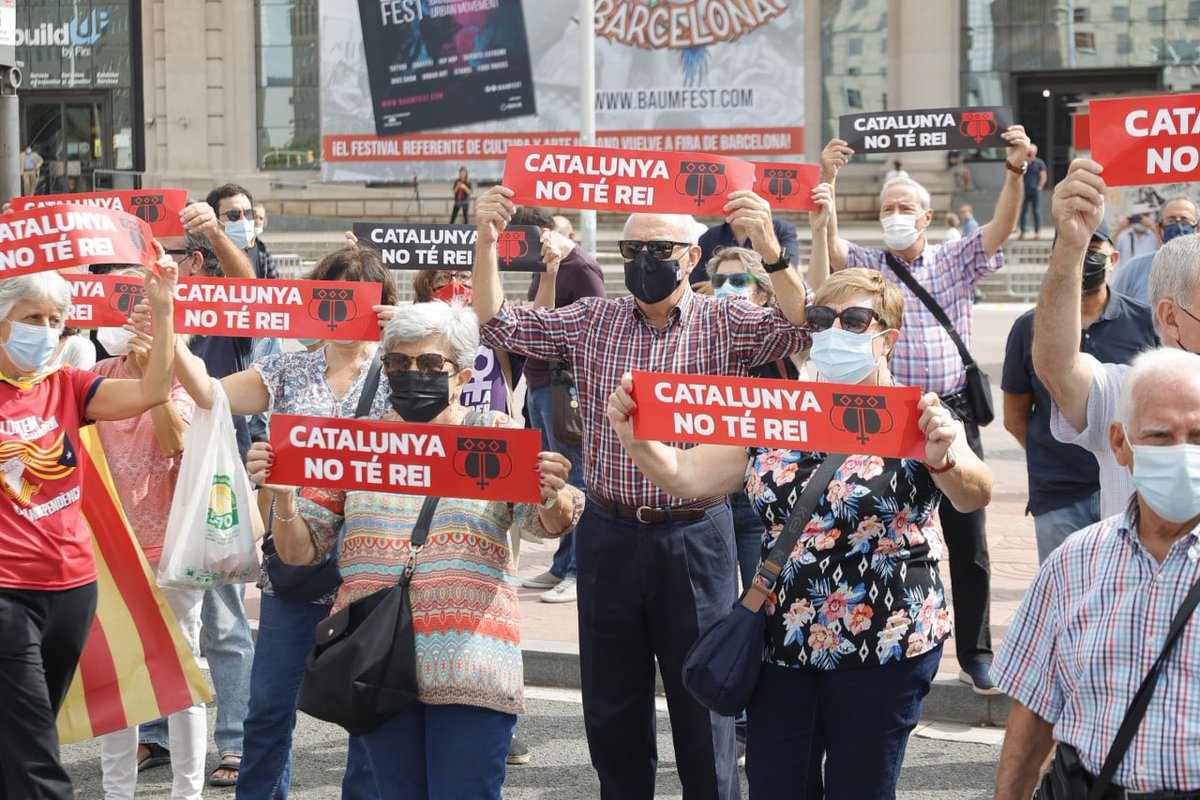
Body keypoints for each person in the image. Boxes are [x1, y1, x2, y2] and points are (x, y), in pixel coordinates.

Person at [473, 181, 811, 799]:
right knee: (611, 705)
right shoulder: (593, 319)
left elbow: (798, 326)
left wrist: (771, 250)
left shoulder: (726, 319)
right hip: (610, 531)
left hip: (696, 534)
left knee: (705, 704)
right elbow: (499, 323)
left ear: (690, 257)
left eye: (657, 248)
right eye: (630, 251)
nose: (642, 262)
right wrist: (487, 243)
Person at [607, 268, 993, 799]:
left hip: (883, 641)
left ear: (888, 338)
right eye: (821, 319)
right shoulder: (777, 413)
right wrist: (635, 438)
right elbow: (683, 475)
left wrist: (944, 458)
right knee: (776, 786)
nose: (834, 331)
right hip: (783, 641)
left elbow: (975, 494)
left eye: (854, 320)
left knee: (860, 789)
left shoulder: (918, 413)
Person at [248, 301, 584, 799]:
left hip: (471, 663)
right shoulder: (356, 444)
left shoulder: (497, 434)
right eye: (398, 364)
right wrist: (281, 494)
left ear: (463, 374)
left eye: (430, 364)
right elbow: (300, 552)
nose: (412, 375)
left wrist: (552, 490)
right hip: (376, 664)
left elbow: (547, 524)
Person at [172, 245, 397, 800]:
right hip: (294, 566)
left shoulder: (406, 369)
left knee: (369, 712)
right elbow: (209, 396)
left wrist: (415, 333)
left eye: (360, 301)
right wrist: (169, 337)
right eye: (333, 301)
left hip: (374, 567)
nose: (346, 316)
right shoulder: (288, 367)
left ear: (383, 304)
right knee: (269, 709)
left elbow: (458, 406)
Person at [816, 125, 1030, 694]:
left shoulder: (954, 260)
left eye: (905, 206)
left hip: (947, 414)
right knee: (883, 525)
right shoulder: (867, 263)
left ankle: (976, 651)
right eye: (888, 207)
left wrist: (1013, 172)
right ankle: (887, 636)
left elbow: (1002, 227)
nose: (895, 215)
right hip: (886, 418)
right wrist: (829, 181)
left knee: (969, 537)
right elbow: (830, 247)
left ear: (927, 215)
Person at [0, 262, 178, 800]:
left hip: (72, 588)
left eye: (56, 319)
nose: (46, 330)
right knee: (34, 752)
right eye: (32, 317)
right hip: (7, 594)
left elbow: (151, 391)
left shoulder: (67, 385)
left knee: (23, 733)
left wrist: (164, 307)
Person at [992, 348, 1200, 799]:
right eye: (1161, 436)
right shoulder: (1075, 562)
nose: (1183, 453)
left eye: (1199, 435)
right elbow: (1033, 710)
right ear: (1121, 444)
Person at [139, 229, 258, 788]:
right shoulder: (139, 313)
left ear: (192, 263)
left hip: (212, 496)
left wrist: (215, 226)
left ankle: (235, 741)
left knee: (226, 624)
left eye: (166, 257)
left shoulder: (221, 315)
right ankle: (154, 736)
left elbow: (252, 286)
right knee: (157, 631)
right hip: (145, 503)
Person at [1034, 160, 1200, 522]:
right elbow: (1056, 366)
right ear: (1172, 317)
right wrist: (1071, 248)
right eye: (1160, 436)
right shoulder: (1121, 392)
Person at [91, 286, 205, 800]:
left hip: (172, 549)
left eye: (145, 321)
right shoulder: (98, 381)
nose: (134, 331)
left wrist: (153, 376)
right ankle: (117, 791)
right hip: (112, 550)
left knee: (183, 671)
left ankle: (188, 790)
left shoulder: (188, 374)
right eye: (129, 320)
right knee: (115, 674)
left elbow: (176, 440)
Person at [1002, 218, 1156, 562]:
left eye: (1093, 248)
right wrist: (1058, 453)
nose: (1084, 256)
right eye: (1073, 249)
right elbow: (1015, 416)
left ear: (1113, 258)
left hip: (1130, 489)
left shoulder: (1144, 322)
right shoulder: (1030, 328)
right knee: (1065, 598)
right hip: (1060, 493)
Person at [512, 208, 606, 606]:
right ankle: (561, 562)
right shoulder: (543, 264)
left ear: (545, 233)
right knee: (549, 478)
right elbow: (541, 317)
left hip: (564, 388)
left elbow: (597, 329)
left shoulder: (582, 267)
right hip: (537, 383)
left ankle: (579, 571)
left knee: (574, 477)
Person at [1112, 195, 1199, 305]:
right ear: (1158, 229)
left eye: (1185, 221)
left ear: (1198, 229)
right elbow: (1113, 309)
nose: (1178, 227)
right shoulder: (1133, 269)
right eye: (1171, 220)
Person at [692, 209, 799, 295]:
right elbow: (694, 283)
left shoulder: (780, 229)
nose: (727, 285)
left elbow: (788, 269)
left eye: (738, 281)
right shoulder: (709, 236)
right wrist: (719, 285)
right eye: (719, 280)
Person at [1019, 143, 1048, 239]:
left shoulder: (1039, 163)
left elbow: (1043, 176)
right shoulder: (1024, 163)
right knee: (1024, 211)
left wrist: (1040, 186)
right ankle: (1023, 232)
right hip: (1025, 189)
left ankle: (1037, 232)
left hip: (1035, 190)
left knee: (1036, 211)